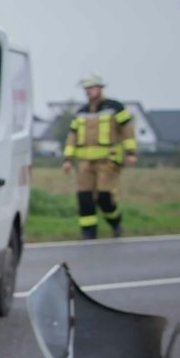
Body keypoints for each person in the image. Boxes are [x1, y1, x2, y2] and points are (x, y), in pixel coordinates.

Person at [61, 74, 137, 239]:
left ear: (100, 88)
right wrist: (67, 158)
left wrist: (131, 153)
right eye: (86, 89)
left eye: (91, 88)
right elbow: (72, 136)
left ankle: (115, 223)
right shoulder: (81, 112)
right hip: (84, 164)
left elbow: (127, 130)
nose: (88, 92)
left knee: (105, 197)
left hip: (107, 161)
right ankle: (88, 233)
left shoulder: (114, 107)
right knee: (84, 197)